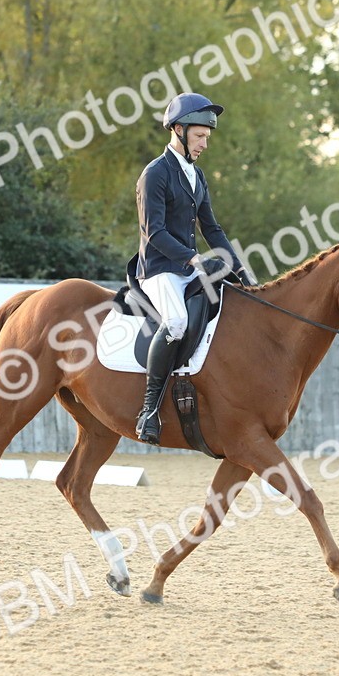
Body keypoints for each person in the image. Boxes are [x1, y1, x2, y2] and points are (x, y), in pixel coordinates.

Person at [133, 92, 255, 444]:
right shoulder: (155, 173)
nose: (204, 144)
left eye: (207, 137)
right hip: (159, 269)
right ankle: (149, 410)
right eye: (200, 136)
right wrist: (193, 258)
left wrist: (240, 270)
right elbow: (153, 231)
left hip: (187, 266)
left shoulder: (196, 176)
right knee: (176, 322)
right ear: (178, 130)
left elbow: (212, 229)